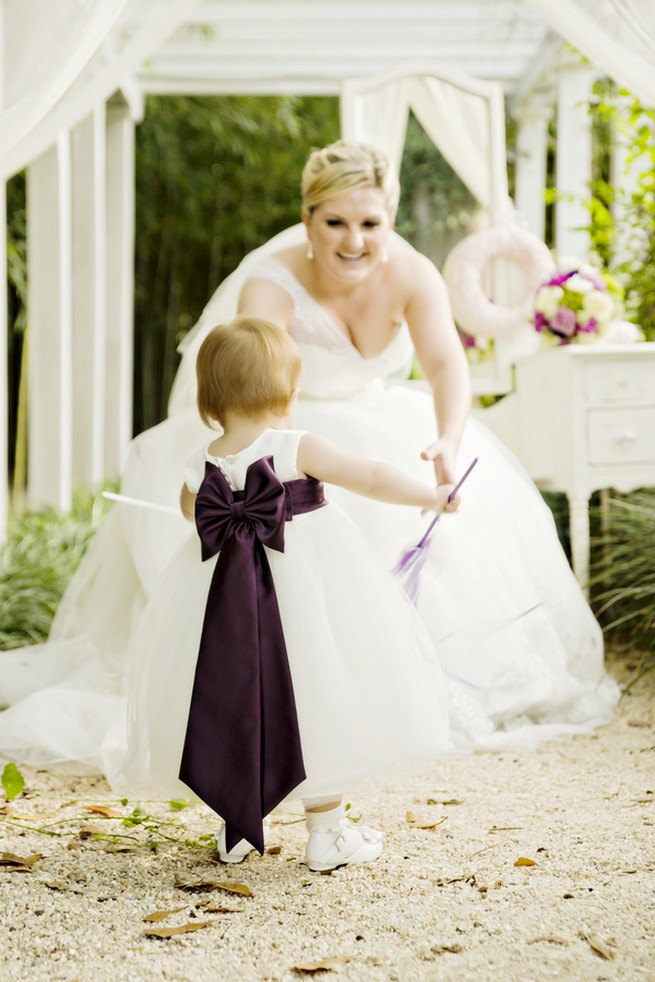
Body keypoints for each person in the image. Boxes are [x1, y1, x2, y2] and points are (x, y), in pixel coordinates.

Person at [0, 139, 619, 774]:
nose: (354, 241)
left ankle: (414, 682)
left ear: (390, 222)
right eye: (336, 223)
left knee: (436, 521)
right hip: (292, 427)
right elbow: (260, 394)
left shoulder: (410, 273)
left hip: (384, 414)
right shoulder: (269, 284)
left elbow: (443, 364)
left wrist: (448, 439)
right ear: (308, 220)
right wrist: (280, 480)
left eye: (371, 224)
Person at [116, 316, 453, 870]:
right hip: (305, 588)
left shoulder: (203, 458)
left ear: (208, 401)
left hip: (223, 594)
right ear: (291, 394)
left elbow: (188, 511)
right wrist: (430, 494)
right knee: (317, 691)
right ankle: (327, 834)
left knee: (230, 689)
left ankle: (239, 829)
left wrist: (225, 508)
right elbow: (367, 475)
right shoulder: (296, 446)